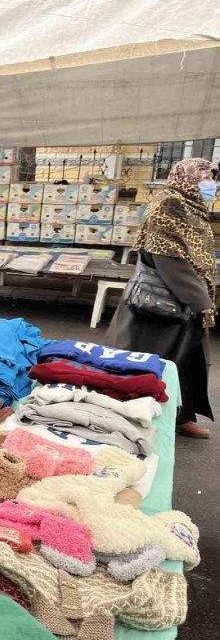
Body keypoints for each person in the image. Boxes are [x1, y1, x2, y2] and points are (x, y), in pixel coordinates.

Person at [105, 157, 216, 438]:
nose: (211, 185)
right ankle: (133, 418)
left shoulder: (193, 207)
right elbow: (168, 259)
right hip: (159, 307)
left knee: (186, 364)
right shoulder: (168, 206)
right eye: (205, 178)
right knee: (150, 364)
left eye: (213, 179)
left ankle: (179, 417)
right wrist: (201, 301)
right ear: (188, 179)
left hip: (185, 304)